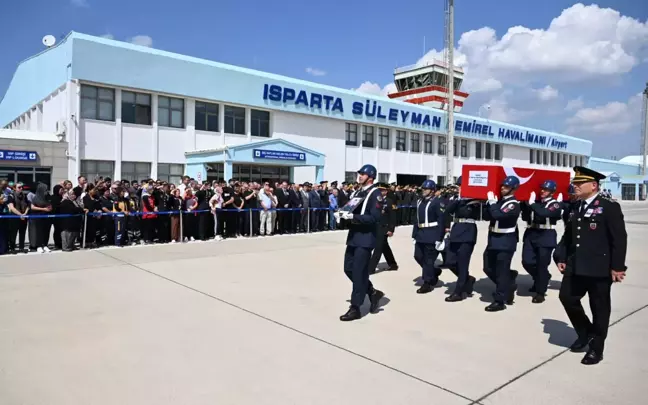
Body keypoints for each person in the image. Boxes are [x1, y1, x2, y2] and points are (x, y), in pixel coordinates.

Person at [556, 166, 627, 365]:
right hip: (576, 265)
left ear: (593, 185)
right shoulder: (575, 206)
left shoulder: (609, 206)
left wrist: (618, 266)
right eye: (575, 183)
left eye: (579, 183)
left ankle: (597, 348)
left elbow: (619, 239)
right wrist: (560, 256)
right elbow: (568, 236)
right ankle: (586, 332)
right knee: (567, 298)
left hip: (599, 268)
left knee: (600, 308)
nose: (575, 186)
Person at [338, 164, 385, 321]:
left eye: (362, 174)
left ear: (370, 177)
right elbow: (351, 208)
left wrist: (354, 218)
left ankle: (355, 307)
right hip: (354, 237)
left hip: (365, 239)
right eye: (359, 173)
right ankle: (371, 292)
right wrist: (343, 214)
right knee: (348, 269)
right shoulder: (359, 192)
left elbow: (374, 218)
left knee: (358, 272)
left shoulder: (375, 194)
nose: (359, 176)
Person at [482, 176, 521, 312]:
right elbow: (489, 216)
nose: (502, 188)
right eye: (502, 186)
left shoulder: (513, 204)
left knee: (502, 271)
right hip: (493, 239)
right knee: (488, 267)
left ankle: (500, 301)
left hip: (505, 240)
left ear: (513, 188)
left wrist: (492, 204)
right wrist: (488, 204)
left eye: (506, 186)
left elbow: (499, 216)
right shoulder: (499, 202)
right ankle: (508, 285)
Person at [521, 180, 563, 303]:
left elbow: (544, 213)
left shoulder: (554, 204)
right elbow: (525, 216)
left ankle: (540, 292)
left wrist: (532, 204)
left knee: (542, 264)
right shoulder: (536, 202)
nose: (543, 191)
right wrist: (525, 204)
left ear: (552, 192)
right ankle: (542, 278)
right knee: (527, 261)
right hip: (531, 233)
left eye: (546, 189)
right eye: (542, 189)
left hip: (546, 235)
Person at [442, 176, 479, 302]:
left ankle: (458, 292)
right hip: (456, 231)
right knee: (449, 261)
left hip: (468, 233)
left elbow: (479, 215)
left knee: (463, 265)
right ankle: (468, 279)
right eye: (459, 186)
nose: (460, 188)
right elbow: (447, 211)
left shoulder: (475, 200)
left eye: (462, 186)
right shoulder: (456, 199)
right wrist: (459, 199)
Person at [412, 179, 445, 294]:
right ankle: (433, 271)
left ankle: (427, 283)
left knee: (428, 260)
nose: (423, 191)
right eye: (423, 188)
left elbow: (441, 220)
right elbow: (416, 219)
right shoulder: (419, 201)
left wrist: (440, 238)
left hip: (432, 233)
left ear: (432, 191)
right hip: (421, 233)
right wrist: (414, 234)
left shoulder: (437, 202)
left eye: (426, 189)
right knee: (418, 256)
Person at [368, 183, 398, 274]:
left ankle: (370, 269)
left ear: (386, 191)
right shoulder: (375, 201)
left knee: (378, 248)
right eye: (379, 190)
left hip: (384, 228)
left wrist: (391, 229)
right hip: (375, 227)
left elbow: (393, 217)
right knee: (384, 247)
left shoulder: (389, 202)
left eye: (382, 190)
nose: (380, 192)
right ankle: (392, 264)